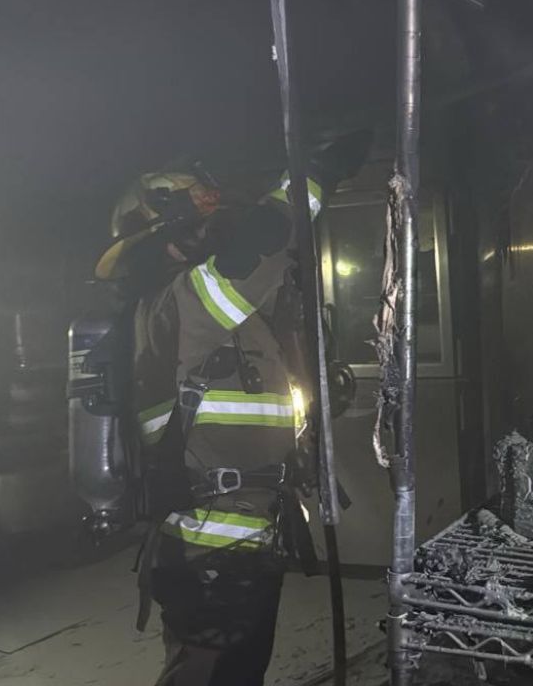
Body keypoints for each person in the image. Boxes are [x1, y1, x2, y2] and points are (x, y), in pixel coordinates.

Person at [92, 133, 370, 686]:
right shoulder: (180, 306)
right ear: (160, 243)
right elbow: (259, 248)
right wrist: (313, 175)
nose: (208, 237)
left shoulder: (208, 315)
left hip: (236, 545)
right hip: (210, 552)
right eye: (195, 231)